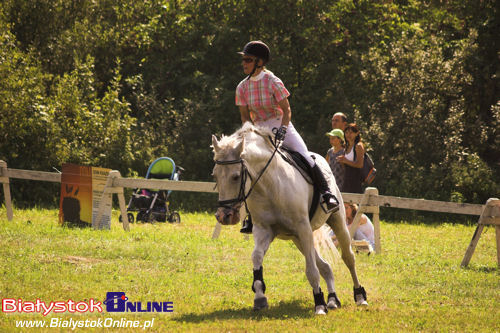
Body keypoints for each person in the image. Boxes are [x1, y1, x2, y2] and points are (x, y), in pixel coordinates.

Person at [235, 40, 339, 233]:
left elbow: (286, 109)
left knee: (306, 156)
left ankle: (326, 195)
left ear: (259, 62)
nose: (244, 63)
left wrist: (283, 128)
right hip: (257, 130)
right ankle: (250, 215)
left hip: (280, 123)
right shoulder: (242, 87)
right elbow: (244, 116)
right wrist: (248, 133)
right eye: (244, 60)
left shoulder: (272, 81)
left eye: (248, 60)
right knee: (248, 167)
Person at [336, 123, 364, 194]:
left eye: (351, 133)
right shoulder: (346, 147)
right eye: (346, 132)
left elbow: (360, 165)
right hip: (346, 180)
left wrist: (346, 160)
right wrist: (342, 161)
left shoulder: (358, 146)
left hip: (356, 181)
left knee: (354, 203)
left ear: (357, 133)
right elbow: (346, 166)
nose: (348, 135)